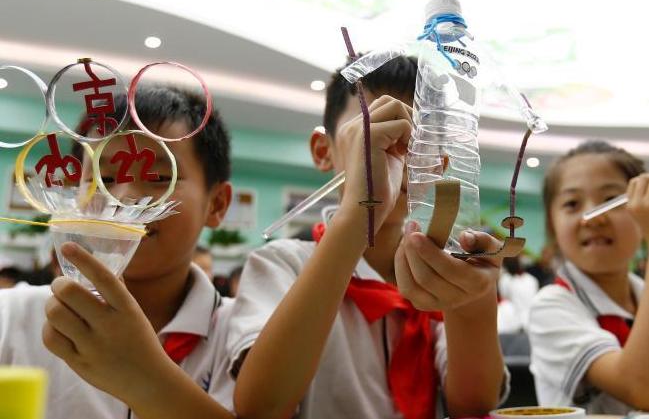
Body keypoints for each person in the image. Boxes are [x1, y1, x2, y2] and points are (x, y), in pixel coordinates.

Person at [229, 56, 508, 419]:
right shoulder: (281, 265)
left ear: (438, 165)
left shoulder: (443, 269)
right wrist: (359, 213)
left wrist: (473, 304)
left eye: (421, 142)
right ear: (324, 150)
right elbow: (260, 407)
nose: (397, 153)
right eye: (374, 131)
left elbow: (472, 404)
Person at [0, 86, 236, 419]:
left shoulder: (249, 335)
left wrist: (146, 380)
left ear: (217, 204)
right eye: (105, 177)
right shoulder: (12, 318)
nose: (123, 197)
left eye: (158, 177)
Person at [528, 140, 649, 413]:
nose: (593, 218)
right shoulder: (551, 307)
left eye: (611, 201)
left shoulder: (642, 293)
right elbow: (640, 388)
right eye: (572, 204)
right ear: (552, 224)